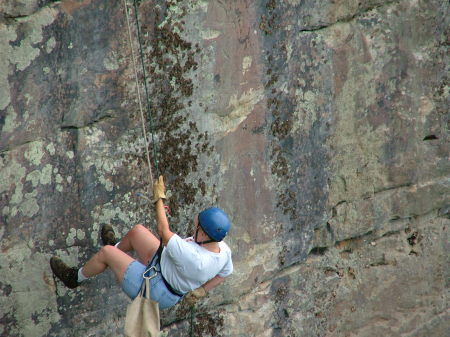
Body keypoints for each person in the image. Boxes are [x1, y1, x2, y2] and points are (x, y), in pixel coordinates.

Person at [50, 176, 233, 309]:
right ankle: (117, 250)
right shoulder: (223, 251)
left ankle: (74, 278)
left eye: (196, 227)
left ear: (203, 234)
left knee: (106, 252)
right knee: (137, 231)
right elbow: (225, 273)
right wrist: (201, 290)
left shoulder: (194, 258)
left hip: (155, 291)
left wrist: (159, 200)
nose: (193, 229)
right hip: (163, 267)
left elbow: (163, 231)